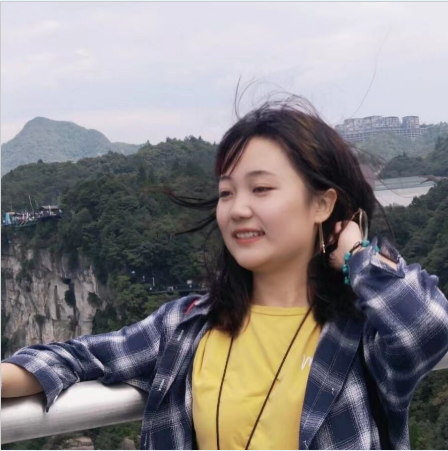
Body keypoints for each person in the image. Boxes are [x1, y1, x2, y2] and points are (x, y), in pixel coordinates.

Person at [2, 97, 448, 450]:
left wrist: (354, 252)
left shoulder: (362, 334)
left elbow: (427, 327)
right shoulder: (189, 326)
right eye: (226, 192)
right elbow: (82, 356)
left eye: (261, 188)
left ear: (321, 203)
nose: (238, 209)